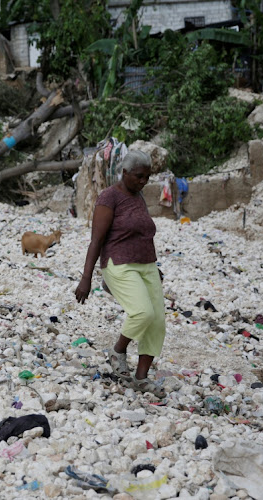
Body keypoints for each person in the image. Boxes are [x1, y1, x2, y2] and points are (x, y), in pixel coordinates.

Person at [75, 150, 166, 397]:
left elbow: (144, 233)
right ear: (124, 173)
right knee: (142, 312)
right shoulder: (109, 197)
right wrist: (86, 278)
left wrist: (154, 268)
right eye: (138, 176)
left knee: (157, 322)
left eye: (147, 177)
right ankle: (118, 351)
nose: (143, 182)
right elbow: (96, 240)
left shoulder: (139, 198)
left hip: (147, 265)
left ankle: (141, 378)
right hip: (119, 263)